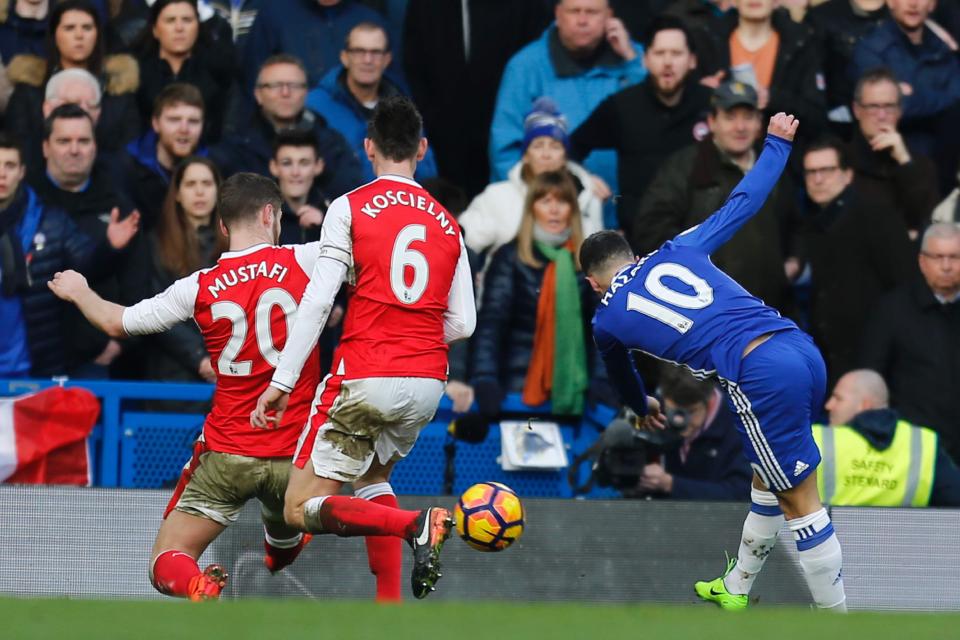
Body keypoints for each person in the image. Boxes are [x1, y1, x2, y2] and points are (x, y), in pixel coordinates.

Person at [580, 113, 847, 611]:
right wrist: (776, 145)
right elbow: (742, 202)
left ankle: (840, 622)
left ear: (594, 285)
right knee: (767, 473)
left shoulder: (606, 321)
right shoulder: (679, 247)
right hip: (799, 347)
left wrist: (642, 406)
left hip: (758, 373)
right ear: (632, 255)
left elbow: (623, 378)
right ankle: (738, 586)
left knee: (800, 501)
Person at [46, 173, 322, 602]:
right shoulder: (310, 259)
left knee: (167, 558)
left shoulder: (198, 287)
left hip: (229, 451)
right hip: (296, 452)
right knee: (286, 525)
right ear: (271, 215)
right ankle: (281, 550)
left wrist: (81, 291)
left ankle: (198, 585)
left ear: (224, 227)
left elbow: (117, 321)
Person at [252, 96, 476, 601]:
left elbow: (317, 302)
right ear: (421, 148)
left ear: (368, 147)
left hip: (366, 371)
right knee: (373, 474)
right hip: (425, 383)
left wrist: (282, 381)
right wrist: (414, 334)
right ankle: (389, 609)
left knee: (295, 509)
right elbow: (464, 322)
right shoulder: (448, 223)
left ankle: (414, 525)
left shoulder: (349, 207)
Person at [632, 80, 797, 312]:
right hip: (707, 312)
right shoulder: (685, 166)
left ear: (760, 122)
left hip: (769, 308)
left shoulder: (773, 165)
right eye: (730, 117)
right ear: (712, 122)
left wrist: (794, 262)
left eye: (748, 117)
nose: (740, 127)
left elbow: (796, 223)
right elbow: (651, 229)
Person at [489, 0, 646, 227]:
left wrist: (632, 62)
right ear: (558, 14)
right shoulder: (526, 66)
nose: (582, 20)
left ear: (609, 16)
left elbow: (655, 117)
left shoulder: (635, 60)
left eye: (592, 12)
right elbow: (504, 151)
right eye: (574, 11)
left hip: (627, 216)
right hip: (547, 219)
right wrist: (540, 201)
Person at [29, 103, 146, 378]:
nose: (74, 149)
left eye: (83, 140)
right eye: (63, 141)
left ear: (95, 147)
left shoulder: (120, 208)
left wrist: (120, 343)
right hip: (28, 359)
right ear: (45, 147)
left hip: (97, 359)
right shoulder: (25, 203)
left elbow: (138, 284)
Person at [469, 170, 597, 419]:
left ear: (572, 209)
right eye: (545, 201)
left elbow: (603, 332)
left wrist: (604, 383)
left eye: (562, 201)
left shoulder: (589, 263)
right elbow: (491, 324)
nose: (554, 210)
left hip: (577, 397)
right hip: (516, 392)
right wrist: (485, 378)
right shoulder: (510, 257)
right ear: (532, 208)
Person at [570, 15, 712, 233]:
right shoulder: (623, 106)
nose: (667, 62)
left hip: (703, 238)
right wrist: (585, 180)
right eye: (659, 53)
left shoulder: (712, 105)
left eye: (676, 53)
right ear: (645, 59)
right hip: (641, 241)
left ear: (692, 60)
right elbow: (570, 149)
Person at [402, 0, 553, 197]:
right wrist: (432, 117)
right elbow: (414, 64)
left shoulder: (526, 6)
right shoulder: (426, 6)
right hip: (444, 136)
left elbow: (533, 63)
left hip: (506, 128)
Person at [794, 137, 914, 385]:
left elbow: (904, 286)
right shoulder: (812, 225)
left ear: (848, 175)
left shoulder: (878, 217)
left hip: (875, 357)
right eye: (810, 172)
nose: (817, 179)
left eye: (826, 170)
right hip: (830, 358)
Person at [0, 132, 115, 378]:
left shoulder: (51, 222)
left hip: (36, 368)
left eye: (9, 165)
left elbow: (88, 266)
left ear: (21, 171)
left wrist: (110, 246)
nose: (2, 174)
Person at [860, 223, 960, 464]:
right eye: (938, 257)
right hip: (913, 449)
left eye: (954, 257)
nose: (946, 266)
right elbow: (872, 376)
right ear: (922, 261)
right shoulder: (892, 309)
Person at [459, 98, 604, 262]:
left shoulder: (587, 197)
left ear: (565, 157)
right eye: (538, 146)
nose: (546, 154)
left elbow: (596, 263)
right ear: (526, 156)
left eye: (555, 146)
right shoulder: (497, 197)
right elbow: (461, 246)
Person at [211, 54, 363, 202]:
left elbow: (351, 197)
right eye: (276, 86)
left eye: (294, 86)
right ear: (258, 95)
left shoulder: (330, 143)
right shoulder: (235, 146)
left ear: (306, 93)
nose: (285, 93)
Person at [5, 1, 140, 164]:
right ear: (54, 35)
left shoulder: (119, 93)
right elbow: (18, 150)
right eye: (69, 28)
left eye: (87, 28)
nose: (79, 35)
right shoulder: (29, 91)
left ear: (98, 35)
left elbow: (129, 154)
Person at [305, 21, 438, 183]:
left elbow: (426, 170)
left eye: (376, 52)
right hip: (339, 205)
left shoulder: (404, 107)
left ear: (387, 59)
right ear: (345, 57)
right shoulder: (315, 105)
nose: (368, 60)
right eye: (359, 51)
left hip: (395, 203)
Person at [814, 369, 960, 507]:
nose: (829, 405)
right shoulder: (923, 443)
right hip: (902, 533)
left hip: (831, 533)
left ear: (865, 405)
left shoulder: (817, 438)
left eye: (838, 398)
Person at [145, 156, 226, 384]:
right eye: (191, 184)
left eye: (207, 184)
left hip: (229, 371)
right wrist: (198, 356)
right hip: (172, 374)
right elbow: (155, 306)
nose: (199, 192)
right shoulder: (155, 244)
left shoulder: (237, 244)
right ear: (178, 194)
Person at [633, 365, 752, 501]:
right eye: (673, 410)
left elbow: (742, 493)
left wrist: (671, 484)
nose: (679, 420)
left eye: (691, 412)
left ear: (710, 399)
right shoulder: (653, 411)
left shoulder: (741, 426)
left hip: (720, 519)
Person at [847, 67, 940, 234]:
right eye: (873, 107)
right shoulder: (841, 161)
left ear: (900, 111)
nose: (882, 115)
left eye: (889, 107)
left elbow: (927, 221)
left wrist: (904, 162)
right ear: (857, 110)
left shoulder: (920, 166)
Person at [133, 0, 235, 142]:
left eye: (187, 20)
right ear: (155, 30)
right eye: (170, 20)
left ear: (198, 27)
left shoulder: (218, 75)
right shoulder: (135, 76)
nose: (179, 28)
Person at [242, 0, 388, 93]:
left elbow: (392, 83)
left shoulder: (370, 19)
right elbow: (252, 82)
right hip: (288, 129)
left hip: (356, 127)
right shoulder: (274, 14)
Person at [118, 82, 205, 231]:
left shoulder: (214, 167)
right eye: (174, 120)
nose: (184, 129)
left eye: (193, 121)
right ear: (156, 123)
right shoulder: (127, 167)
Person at [270, 128, 328, 245]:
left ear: (318, 166)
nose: (295, 172)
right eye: (286, 163)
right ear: (274, 167)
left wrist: (326, 226)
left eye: (304, 163)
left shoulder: (335, 213)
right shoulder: (259, 218)